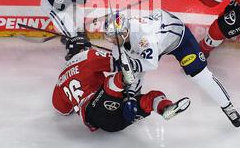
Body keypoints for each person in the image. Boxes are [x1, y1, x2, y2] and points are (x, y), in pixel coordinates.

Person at [104, 9, 240, 128]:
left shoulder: (144, 37)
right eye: (109, 37)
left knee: (201, 76)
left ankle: (228, 106)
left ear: (124, 32)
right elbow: (127, 70)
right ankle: (135, 97)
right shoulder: (122, 38)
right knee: (131, 67)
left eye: (112, 37)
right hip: (159, 39)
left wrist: (130, 65)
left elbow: (151, 64)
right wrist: (130, 92)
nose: (110, 41)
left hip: (180, 40)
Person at [52, 36, 190, 132]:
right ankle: (164, 106)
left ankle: (165, 108)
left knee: (135, 100)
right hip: (97, 106)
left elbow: (62, 110)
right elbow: (116, 63)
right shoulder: (88, 55)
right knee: (120, 82)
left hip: (102, 122)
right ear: (83, 48)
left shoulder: (60, 80)